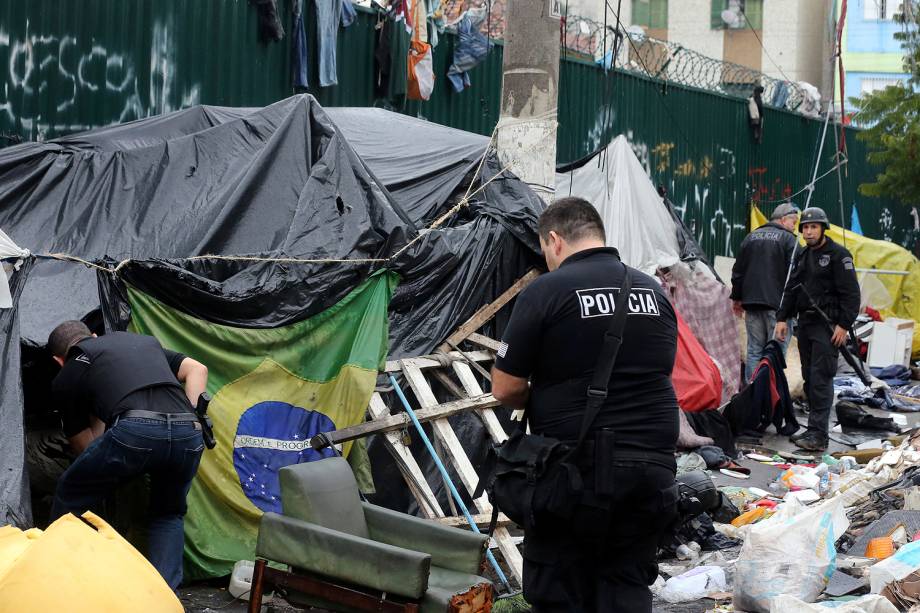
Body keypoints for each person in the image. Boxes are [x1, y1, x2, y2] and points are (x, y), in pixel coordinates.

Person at [491, 197, 679, 612]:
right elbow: (659, 370)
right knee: (625, 586)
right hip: (652, 468)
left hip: (576, 471)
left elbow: (504, 388)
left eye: (544, 248)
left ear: (554, 240)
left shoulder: (547, 290)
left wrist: (540, 395)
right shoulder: (653, 291)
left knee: (560, 589)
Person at [48, 321, 209, 590]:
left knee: (70, 491)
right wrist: (195, 417)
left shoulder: (68, 374)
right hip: (188, 432)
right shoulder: (143, 343)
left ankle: (59, 579)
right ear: (95, 335)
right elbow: (197, 369)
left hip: (135, 431)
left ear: (58, 359)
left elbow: (86, 449)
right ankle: (164, 599)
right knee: (168, 513)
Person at [774, 207, 860, 451]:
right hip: (806, 325)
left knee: (821, 379)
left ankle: (819, 435)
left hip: (828, 326)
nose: (809, 231)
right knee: (810, 378)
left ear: (823, 229)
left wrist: (844, 324)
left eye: (814, 227)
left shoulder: (838, 255)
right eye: (806, 227)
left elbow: (851, 294)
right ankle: (813, 429)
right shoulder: (802, 256)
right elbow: (792, 289)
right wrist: (782, 318)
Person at [731, 201, 800, 380]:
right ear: (784, 219)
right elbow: (796, 276)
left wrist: (737, 298)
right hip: (779, 310)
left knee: (754, 350)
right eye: (794, 223)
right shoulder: (789, 240)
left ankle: (753, 395)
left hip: (752, 305)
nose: (794, 227)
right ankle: (770, 397)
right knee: (775, 352)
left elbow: (738, 271)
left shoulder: (750, 237)